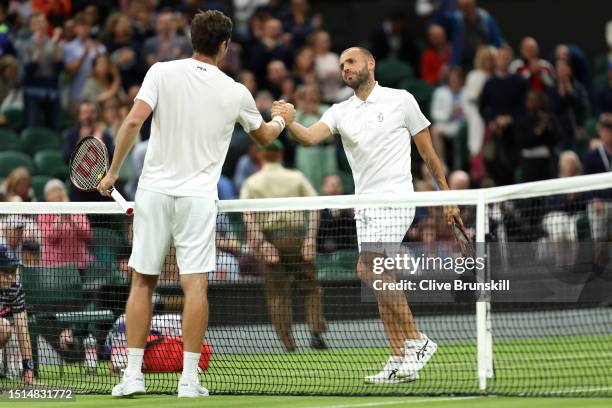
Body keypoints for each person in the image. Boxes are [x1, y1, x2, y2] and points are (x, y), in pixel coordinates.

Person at [97, 10, 292, 398]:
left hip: (153, 192)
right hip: (198, 198)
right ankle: (189, 380)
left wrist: (113, 172)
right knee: (195, 284)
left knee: (142, 281)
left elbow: (134, 121)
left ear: (192, 38)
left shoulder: (160, 72)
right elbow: (266, 137)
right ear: (225, 46)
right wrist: (283, 118)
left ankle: (133, 375)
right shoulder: (236, 91)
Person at [273, 47, 462, 383]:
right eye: (342, 64)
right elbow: (308, 137)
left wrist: (446, 197)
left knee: (367, 268)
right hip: (366, 206)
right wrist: (289, 121)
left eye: (351, 62)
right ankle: (399, 355)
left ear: (370, 64)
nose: (345, 68)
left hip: (397, 197)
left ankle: (417, 340)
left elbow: (428, 153)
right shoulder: (339, 111)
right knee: (380, 277)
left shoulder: (400, 100)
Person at [240, 140, 327, 352]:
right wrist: (309, 239)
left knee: (277, 295)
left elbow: (246, 215)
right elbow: (316, 207)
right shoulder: (296, 177)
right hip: (297, 238)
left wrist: (262, 243)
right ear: (280, 154)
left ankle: (288, 344)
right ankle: (316, 334)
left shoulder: (252, 182)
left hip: (269, 241)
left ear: (261, 156)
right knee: (311, 288)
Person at [0, 245, 34, 385]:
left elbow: (22, 328)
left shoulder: (15, 288)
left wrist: (28, 369)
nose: (10, 277)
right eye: (5, 272)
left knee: (3, 328)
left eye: (13, 271)